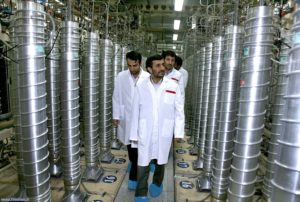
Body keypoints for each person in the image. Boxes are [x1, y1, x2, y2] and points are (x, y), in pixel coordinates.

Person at [130, 55, 185, 202]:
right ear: (149, 69)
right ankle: (141, 193)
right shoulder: (141, 86)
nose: (162, 68)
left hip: (164, 130)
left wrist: (178, 131)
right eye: (158, 66)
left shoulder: (172, 85)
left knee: (161, 160)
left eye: (162, 65)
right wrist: (133, 135)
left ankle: (157, 183)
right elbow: (135, 111)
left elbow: (179, 109)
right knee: (143, 163)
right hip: (145, 130)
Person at [112, 51, 150, 190]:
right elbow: (116, 96)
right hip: (127, 117)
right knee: (130, 146)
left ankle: (134, 176)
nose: (132, 69)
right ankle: (134, 166)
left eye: (135, 65)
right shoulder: (121, 76)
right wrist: (116, 115)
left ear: (140, 63)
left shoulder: (147, 77)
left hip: (142, 118)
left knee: (140, 148)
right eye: (129, 66)